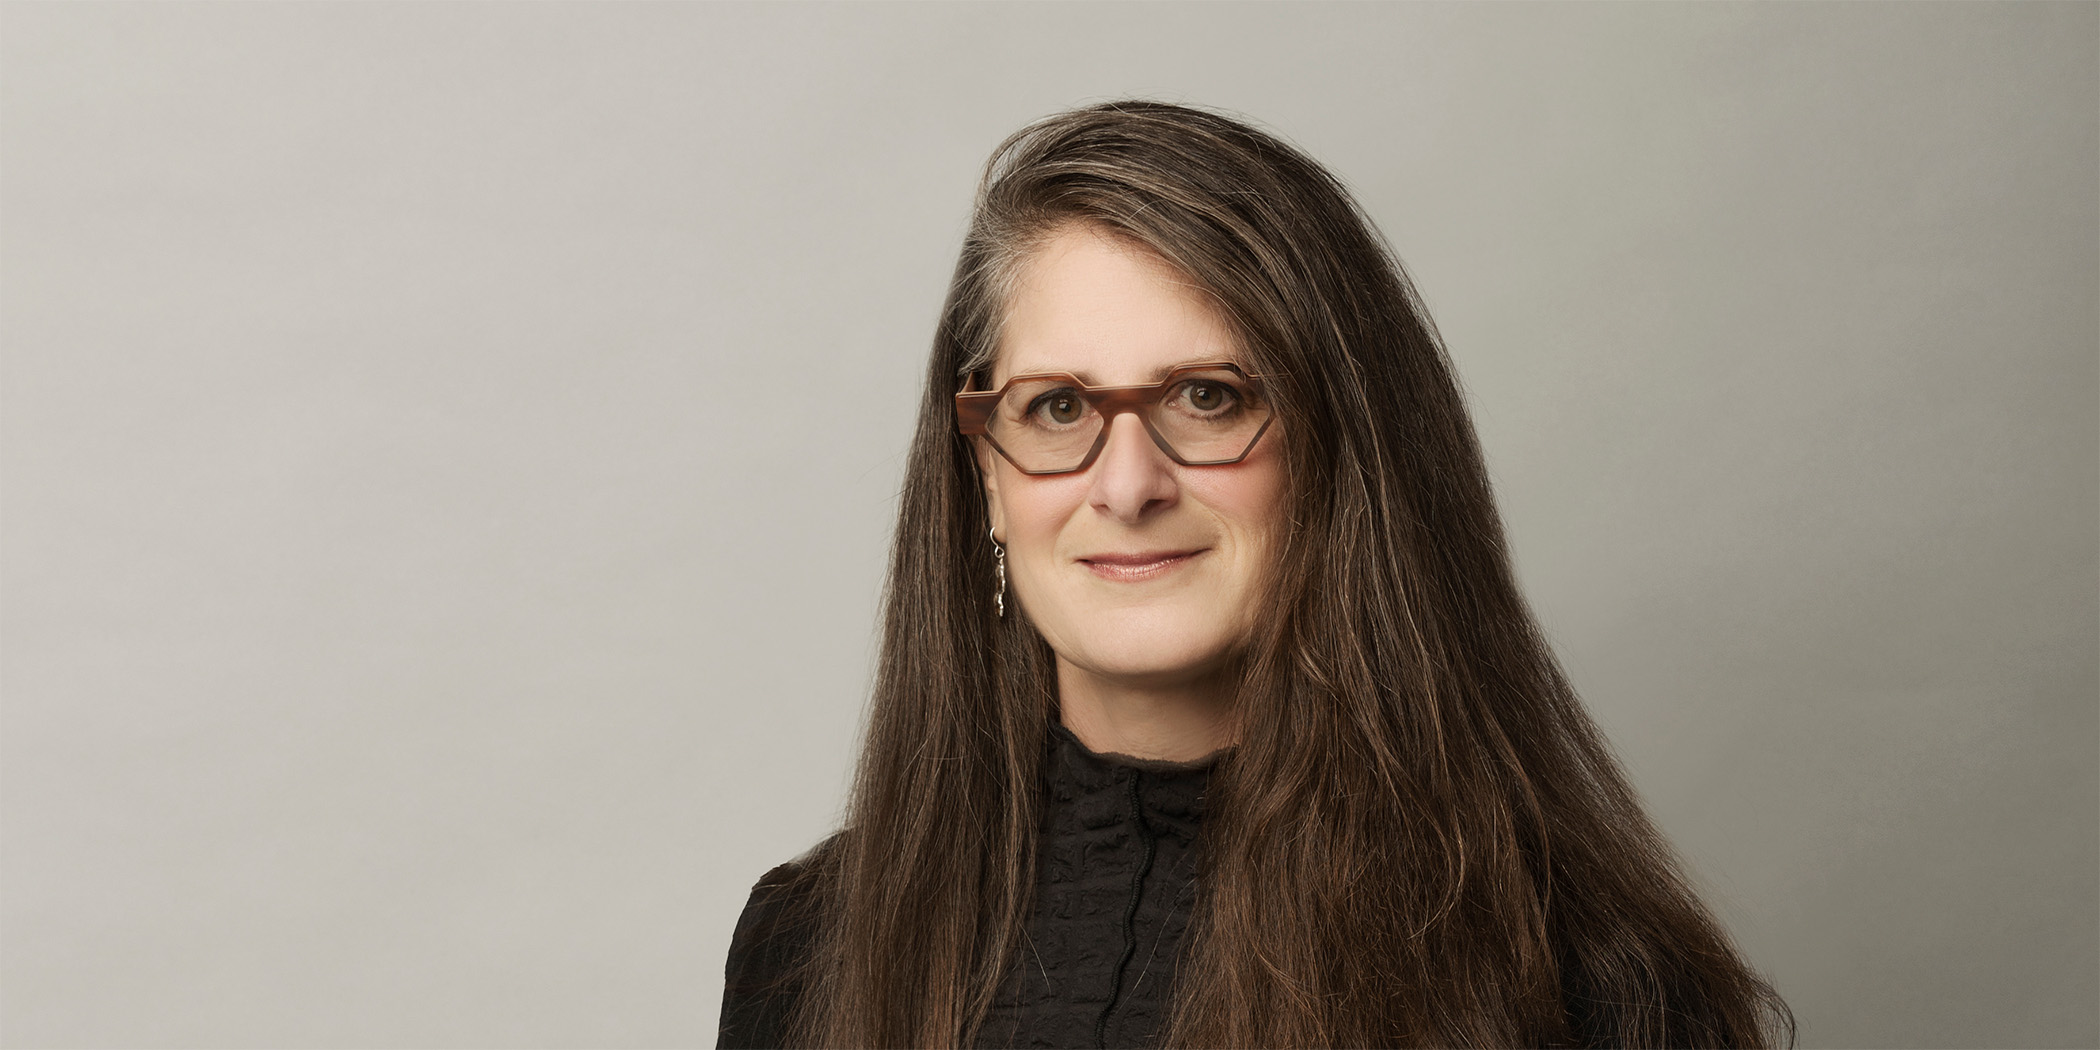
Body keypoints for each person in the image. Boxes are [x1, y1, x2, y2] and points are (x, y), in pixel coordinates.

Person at [717, 100, 1793, 1049]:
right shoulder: (811, 942)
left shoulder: (1589, 990)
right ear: (987, 477)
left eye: (1209, 398)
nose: (1127, 484)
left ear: (1342, 452)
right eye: (1057, 408)